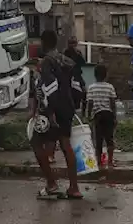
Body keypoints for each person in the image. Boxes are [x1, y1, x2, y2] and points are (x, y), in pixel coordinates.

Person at [30, 30, 80, 199]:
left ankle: (51, 184)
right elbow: (77, 87)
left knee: (36, 143)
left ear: (44, 43)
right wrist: (73, 107)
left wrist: (50, 113)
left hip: (52, 110)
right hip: (68, 108)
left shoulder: (47, 62)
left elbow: (50, 88)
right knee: (66, 146)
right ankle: (74, 188)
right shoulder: (68, 61)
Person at [85, 64, 117, 168]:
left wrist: (88, 115)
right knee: (109, 139)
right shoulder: (110, 87)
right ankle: (110, 162)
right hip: (108, 114)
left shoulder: (91, 87)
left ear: (95, 75)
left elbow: (90, 103)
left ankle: (99, 162)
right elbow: (113, 103)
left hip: (97, 115)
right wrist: (115, 116)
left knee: (98, 140)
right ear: (106, 75)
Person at [64, 35, 88, 114]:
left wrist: (78, 55)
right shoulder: (66, 52)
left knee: (84, 92)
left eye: (74, 43)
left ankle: (84, 113)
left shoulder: (78, 53)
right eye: (71, 43)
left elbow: (83, 63)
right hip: (68, 76)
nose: (72, 45)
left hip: (77, 76)